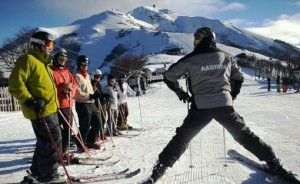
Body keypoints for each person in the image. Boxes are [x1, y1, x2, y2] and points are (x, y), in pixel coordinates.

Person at [143, 27, 299, 184]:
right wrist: (232, 96)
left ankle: (157, 172)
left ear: (197, 40)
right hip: (224, 105)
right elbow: (239, 77)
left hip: (200, 108)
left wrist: (181, 93)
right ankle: (275, 164)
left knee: (182, 138)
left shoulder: (190, 59)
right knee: (245, 135)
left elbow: (169, 76)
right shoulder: (225, 57)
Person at [8, 31, 67, 183]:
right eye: (48, 44)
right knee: (53, 142)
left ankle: (37, 173)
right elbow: (15, 84)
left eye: (52, 45)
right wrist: (30, 100)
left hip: (50, 109)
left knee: (45, 143)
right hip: (41, 111)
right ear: (37, 45)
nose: (51, 48)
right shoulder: (28, 60)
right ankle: (48, 177)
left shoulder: (43, 64)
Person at [50, 48, 77, 161]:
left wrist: (70, 90)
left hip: (67, 104)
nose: (63, 61)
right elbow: (49, 88)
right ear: (56, 59)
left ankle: (64, 151)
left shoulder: (67, 71)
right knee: (56, 130)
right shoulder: (51, 71)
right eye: (61, 58)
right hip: (56, 105)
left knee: (67, 129)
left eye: (65, 59)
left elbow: (74, 85)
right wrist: (61, 87)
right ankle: (57, 151)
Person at [74, 55, 101, 151]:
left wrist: (95, 92)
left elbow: (89, 89)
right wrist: (90, 96)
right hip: (82, 103)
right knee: (85, 125)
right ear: (79, 64)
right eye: (83, 64)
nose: (85, 66)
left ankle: (90, 141)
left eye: (87, 64)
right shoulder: (77, 76)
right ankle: (80, 144)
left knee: (97, 122)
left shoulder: (88, 75)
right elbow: (76, 92)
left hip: (91, 102)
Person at [91, 69, 107, 140]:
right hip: (96, 104)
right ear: (93, 76)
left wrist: (104, 95)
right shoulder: (92, 83)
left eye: (100, 76)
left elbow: (100, 93)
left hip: (101, 103)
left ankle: (101, 133)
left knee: (103, 119)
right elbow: (92, 94)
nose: (98, 78)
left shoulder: (98, 83)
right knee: (97, 121)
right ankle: (96, 135)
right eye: (97, 76)